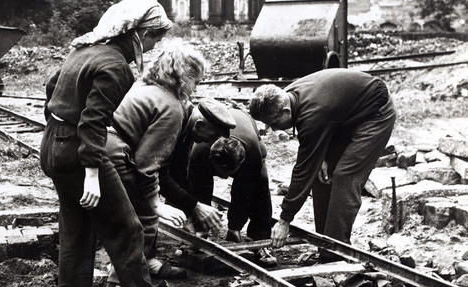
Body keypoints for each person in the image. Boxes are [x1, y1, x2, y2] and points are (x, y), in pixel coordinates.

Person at [39, 0, 173, 287]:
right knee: (127, 229)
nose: (154, 46)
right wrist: (91, 173)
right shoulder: (115, 65)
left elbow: (51, 86)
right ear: (138, 33)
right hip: (77, 153)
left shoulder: (84, 48)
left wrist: (59, 126)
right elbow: (92, 121)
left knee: (77, 230)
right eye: (155, 37)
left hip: (52, 145)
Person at [101, 41, 210, 287]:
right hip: (114, 151)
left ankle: (138, 271)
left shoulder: (143, 86)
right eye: (196, 81)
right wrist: (156, 204)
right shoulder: (172, 107)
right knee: (143, 219)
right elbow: (146, 165)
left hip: (96, 143)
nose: (196, 89)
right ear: (184, 77)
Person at [249, 68, 396, 254]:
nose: (271, 128)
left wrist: (285, 219)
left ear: (285, 111)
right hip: (344, 115)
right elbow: (315, 138)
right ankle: (324, 241)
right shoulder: (289, 96)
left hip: (375, 113)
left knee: (345, 176)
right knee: (321, 174)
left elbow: (303, 169)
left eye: (272, 122)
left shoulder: (312, 114)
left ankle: (335, 250)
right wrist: (322, 156)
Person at [186, 108, 278, 267]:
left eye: (230, 173)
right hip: (222, 126)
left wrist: (235, 227)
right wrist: (200, 226)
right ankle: (201, 232)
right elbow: (198, 191)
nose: (224, 177)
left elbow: (244, 192)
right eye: (221, 173)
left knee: (260, 187)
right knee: (200, 183)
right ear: (211, 158)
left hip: (248, 131)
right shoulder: (200, 149)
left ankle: (261, 240)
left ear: (240, 163)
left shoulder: (253, 154)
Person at [158, 99, 238, 235]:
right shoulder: (173, 121)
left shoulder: (188, 127)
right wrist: (195, 206)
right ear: (199, 125)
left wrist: (189, 212)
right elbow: (158, 173)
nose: (210, 142)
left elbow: (177, 171)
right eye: (212, 136)